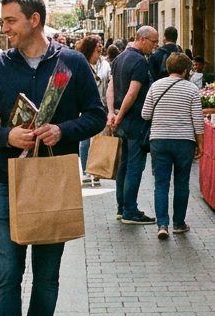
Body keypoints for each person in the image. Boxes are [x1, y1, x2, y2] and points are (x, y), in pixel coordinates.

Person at [0, 0, 106, 316]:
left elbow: (97, 115)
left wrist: (63, 130)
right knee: (7, 275)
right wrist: (5, 134)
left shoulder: (72, 63)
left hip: (52, 179)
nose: (4, 28)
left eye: (10, 21)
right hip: (8, 181)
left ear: (34, 20)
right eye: (3, 21)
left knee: (46, 277)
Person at [140, 52, 204, 239]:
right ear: (185, 70)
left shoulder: (155, 86)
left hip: (159, 140)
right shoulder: (191, 89)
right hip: (184, 141)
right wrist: (200, 144)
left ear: (168, 68)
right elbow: (198, 120)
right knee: (182, 183)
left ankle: (162, 224)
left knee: (161, 183)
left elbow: (145, 114)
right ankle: (179, 223)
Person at [108, 26, 158, 225]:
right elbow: (133, 92)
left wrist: (112, 112)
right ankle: (130, 210)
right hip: (135, 121)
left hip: (122, 118)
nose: (155, 47)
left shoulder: (119, 58)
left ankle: (122, 208)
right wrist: (118, 116)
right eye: (153, 42)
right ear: (143, 39)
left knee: (124, 165)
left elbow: (111, 87)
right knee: (134, 166)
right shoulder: (139, 61)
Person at [76, 35, 111, 186]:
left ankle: (96, 171)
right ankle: (85, 171)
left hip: (101, 105)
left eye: (101, 44)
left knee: (99, 140)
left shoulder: (105, 65)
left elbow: (109, 84)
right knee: (85, 140)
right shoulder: (81, 63)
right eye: (97, 45)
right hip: (84, 106)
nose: (100, 47)